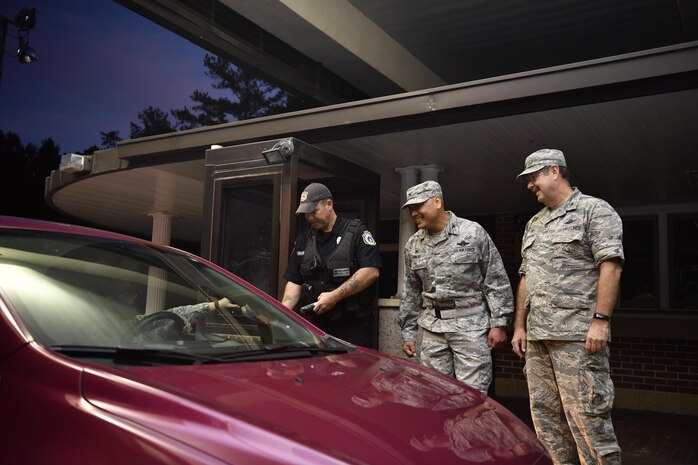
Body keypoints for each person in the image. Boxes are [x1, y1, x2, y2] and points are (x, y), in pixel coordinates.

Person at [511, 149, 624, 465]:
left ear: (553, 170)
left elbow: (611, 266)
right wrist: (520, 325)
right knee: (546, 421)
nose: (530, 185)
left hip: (577, 336)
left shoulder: (594, 211)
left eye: (533, 177)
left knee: (588, 421)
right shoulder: (534, 223)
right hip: (537, 337)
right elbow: (526, 276)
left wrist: (601, 319)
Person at [396, 180, 514, 394]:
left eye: (418, 206)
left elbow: (495, 279)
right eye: (411, 209)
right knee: (434, 394)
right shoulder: (413, 245)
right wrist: (408, 333)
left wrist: (500, 323)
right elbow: (411, 291)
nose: (414, 213)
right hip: (433, 331)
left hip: (471, 329)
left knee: (472, 397)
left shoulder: (472, 233)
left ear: (437, 201)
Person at [281, 182, 382, 347]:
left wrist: (335, 296)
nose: (310, 218)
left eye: (314, 211)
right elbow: (294, 281)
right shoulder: (303, 241)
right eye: (306, 214)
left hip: (352, 328)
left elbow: (371, 271)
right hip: (314, 327)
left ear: (329, 204)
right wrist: (282, 312)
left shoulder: (357, 233)